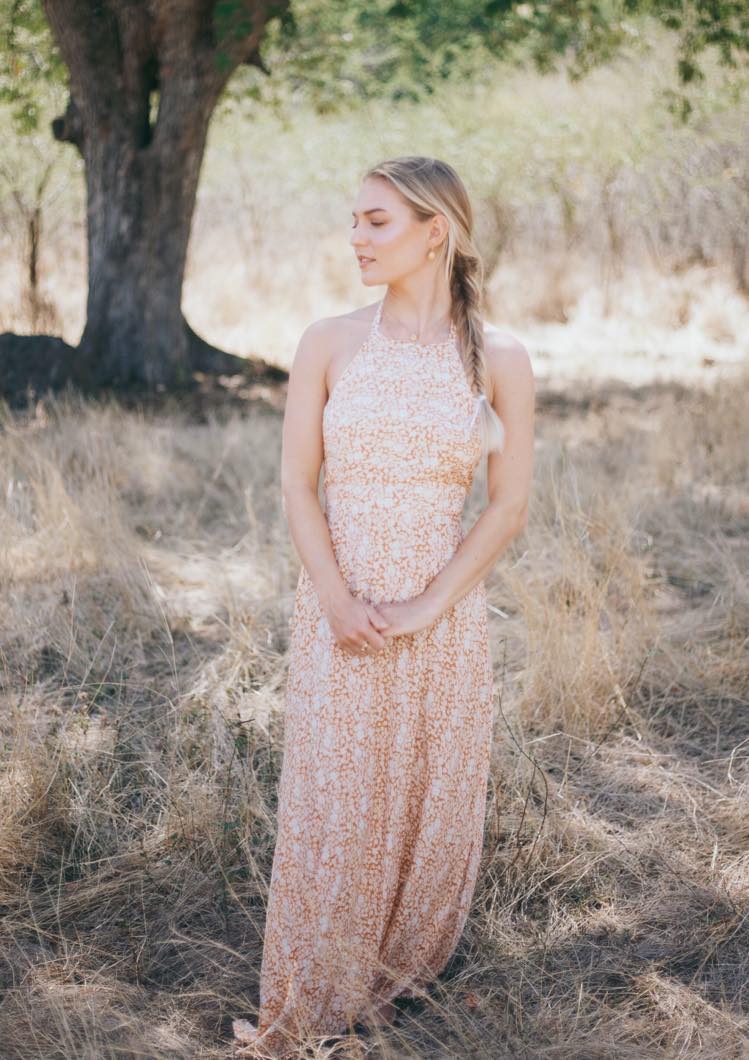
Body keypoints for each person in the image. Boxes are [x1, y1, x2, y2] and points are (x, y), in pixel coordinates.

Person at [232, 155, 535, 1057]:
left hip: (441, 621)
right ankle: (311, 996)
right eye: (354, 221)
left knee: (421, 802)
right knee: (335, 801)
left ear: (433, 230)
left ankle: (387, 985)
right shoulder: (329, 340)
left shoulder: (501, 357)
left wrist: (428, 607)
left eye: (375, 222)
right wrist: (335, 598)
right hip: (339, 608)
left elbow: (507, 506)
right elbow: (295, 480)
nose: (355, 238)